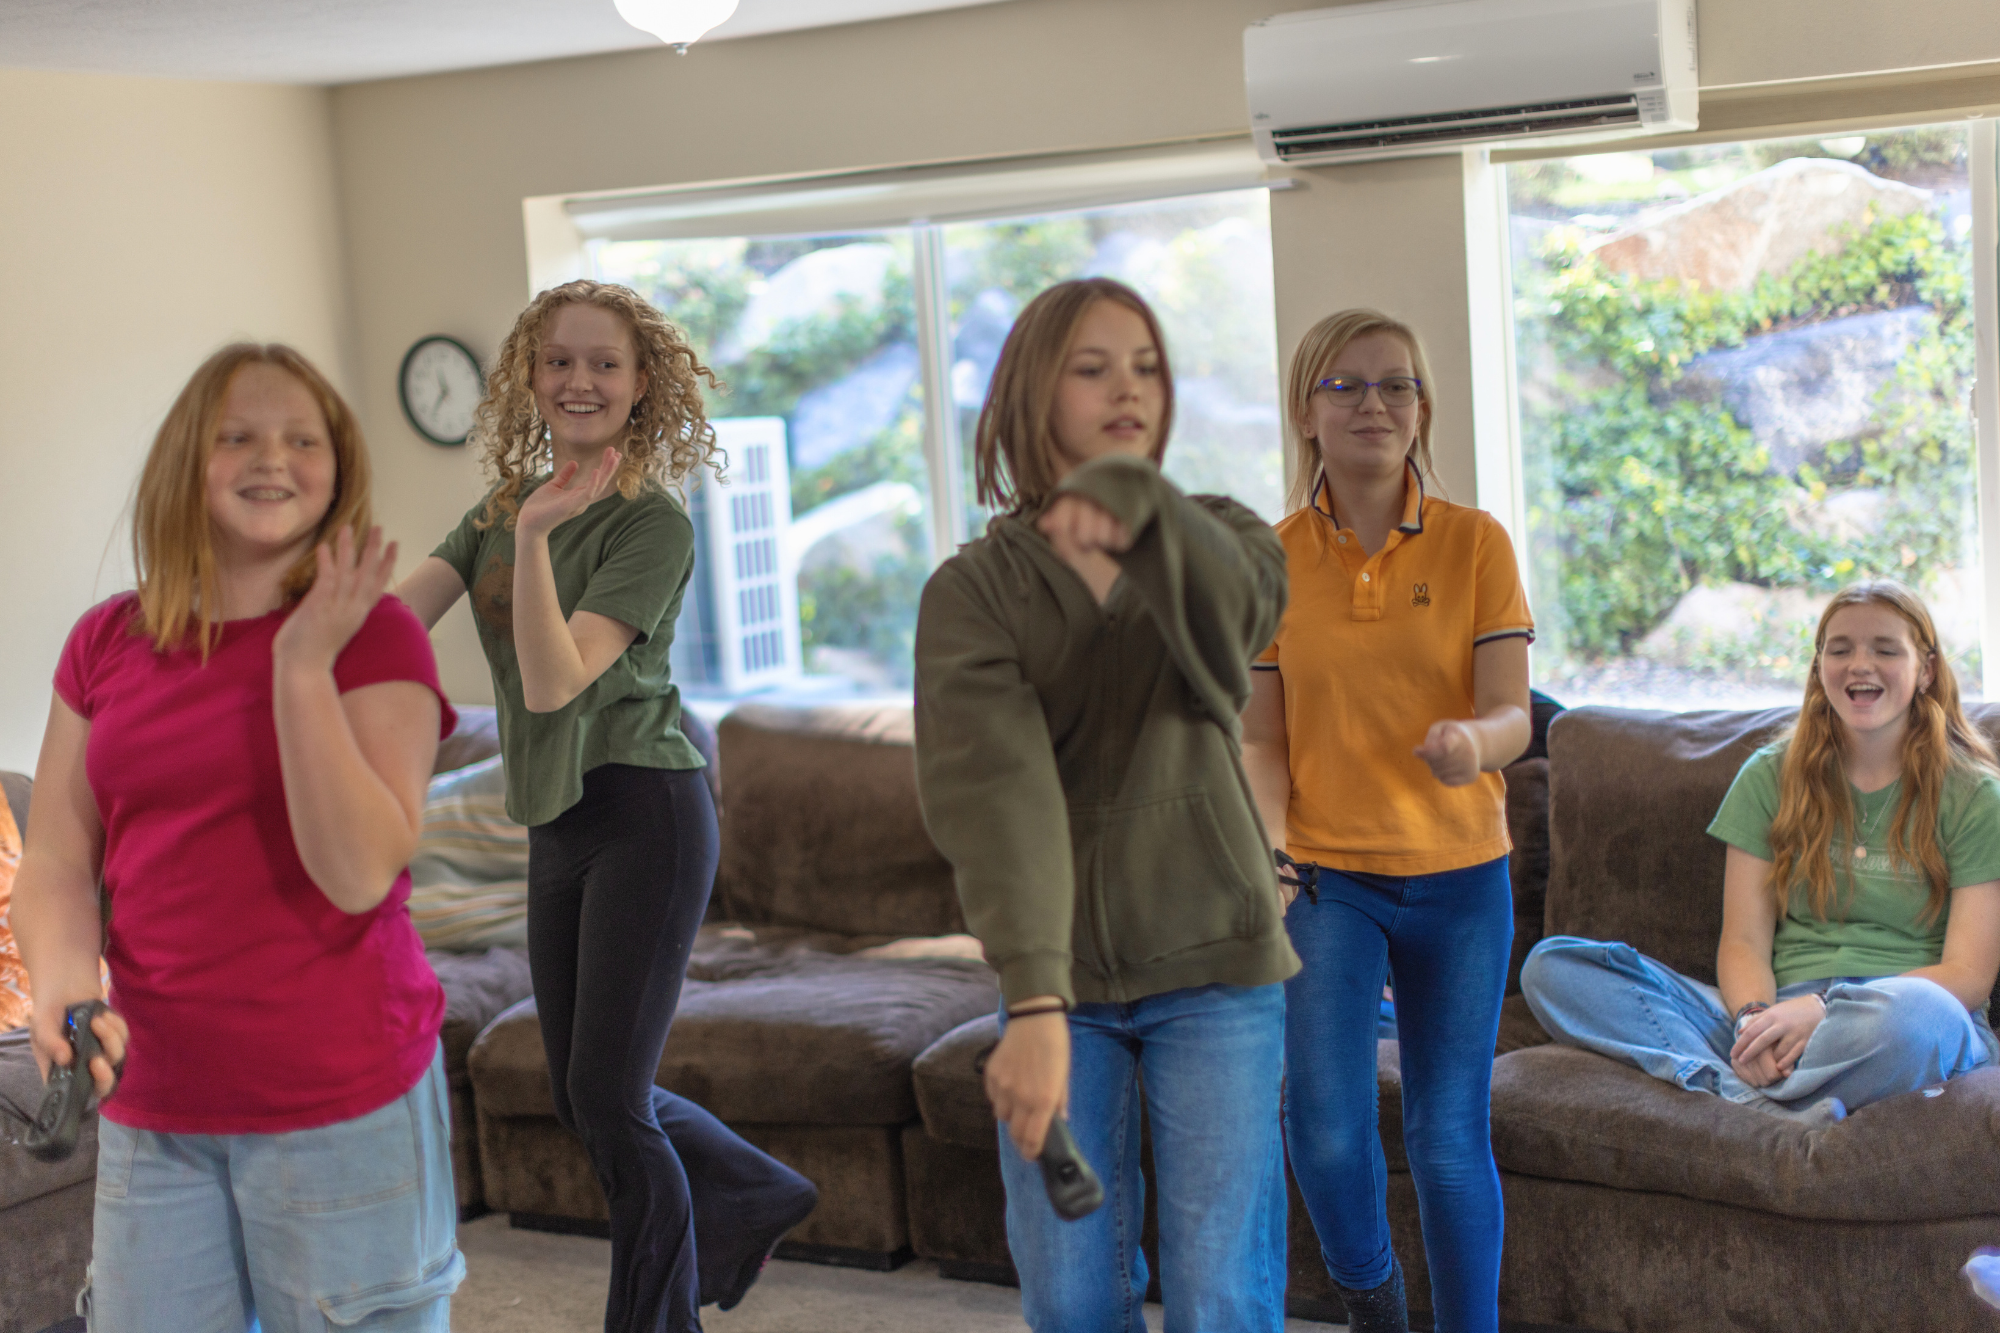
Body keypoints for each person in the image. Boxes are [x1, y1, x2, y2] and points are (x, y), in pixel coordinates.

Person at [395, 279, 816, 1333]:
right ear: (530, 379)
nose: (578, 380)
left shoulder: (650, 523)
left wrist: (538, 541)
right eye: (558, 361)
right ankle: (756, 1190)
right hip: (554, 817)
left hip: (647, 811)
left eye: (603, 363)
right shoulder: (500, 507)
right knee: (587, 1095)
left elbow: (550, 682)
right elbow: (396, 622)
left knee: (615, 1103)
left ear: (642, 385)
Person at [13, 344, 462, 1331]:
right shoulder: (105, 641)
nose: (275, 457)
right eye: (239, 436)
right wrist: (61, 987)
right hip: (155, 1102)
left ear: (336, 468)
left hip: (341, 1099)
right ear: (188, 461)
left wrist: (301, 666)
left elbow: (355, 873)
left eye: (305, 438)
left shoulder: (378, 635)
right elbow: (57, 857)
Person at [913, 277, 1297, 1333]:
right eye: (1091, 367)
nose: (1127, 388)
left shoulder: (1217, 535)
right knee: (1072, 1299)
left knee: (1225, 1298)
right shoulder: (973, 594)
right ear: (1034, 390)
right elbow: (997, 794)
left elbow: (1225, 648)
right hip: (1058, 988)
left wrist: (1141, 514)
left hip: (1217, 966)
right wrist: (1033, 1000)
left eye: (1146, 366)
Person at [1240, 309, 1534, 1333]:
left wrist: (1474, 743)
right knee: (1319, 1127)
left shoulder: (1472, 543)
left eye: (1395, 386)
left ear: (1420, 412)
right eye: (1346, 385)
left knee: (1447, 1133)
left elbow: (1512, 710)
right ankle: (1372, 1300)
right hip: (1325, 877)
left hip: (1459, 880)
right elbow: (1259, 740)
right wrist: (1273, 854)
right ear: (1304, 411)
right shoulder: (1268, 559)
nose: (1373, 403)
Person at [1521, 581, 2000, 1124]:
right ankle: (1759, 1098)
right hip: (1776, 1012)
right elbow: (1745, 940)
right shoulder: (1771, 775)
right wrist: (1754, 1020)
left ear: (1927, 670)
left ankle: (1746, 1101)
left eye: (1886, 650)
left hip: (1893, 1017)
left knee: (1924, 1018)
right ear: (1819, 666)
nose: (1859, 665)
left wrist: (1821, 1012)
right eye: (1839, 649)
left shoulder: (1974, 796)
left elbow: (1969, 973)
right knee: (1552, 967)